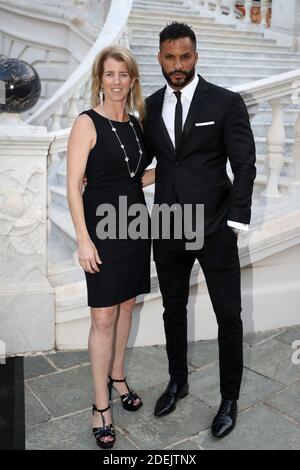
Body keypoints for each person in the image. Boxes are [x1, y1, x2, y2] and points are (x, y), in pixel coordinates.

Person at [143, 22, 256, 439]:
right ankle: (178, 381)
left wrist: (234, 221)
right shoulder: (151, 105)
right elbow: (151, 160)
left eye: (185, 57)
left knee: (228, 315)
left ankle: (229, 398)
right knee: (173, 309)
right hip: (169, 226)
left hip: (214, 228)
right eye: (170, 57)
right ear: (159, 57)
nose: (178, 65)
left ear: (196, 56)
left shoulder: (225, 102)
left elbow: (244, 164)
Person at [67, 46, 151, 449]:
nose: (117, 81)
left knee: (126, 307)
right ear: (100, 80)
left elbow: (135, 178)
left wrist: (181, 166)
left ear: (132, 80)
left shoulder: (136, 125)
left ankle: (118, 377)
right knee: (102, 316)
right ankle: (101, 404)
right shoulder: (87, 123)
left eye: (124, 74)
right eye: (110, 74)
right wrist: (83, 238)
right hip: (100, 229)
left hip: (134, 225)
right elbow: (72, 185)